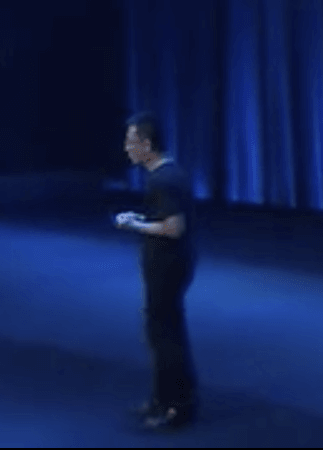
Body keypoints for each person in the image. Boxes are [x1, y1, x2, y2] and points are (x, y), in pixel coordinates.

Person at [116, 111, 198, 430]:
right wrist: (142, 221)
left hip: (167, 267)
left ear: (147, 144)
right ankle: (162, 399)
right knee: (163, 332)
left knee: (164, 336)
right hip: (171, 265)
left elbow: (173, 227)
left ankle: (175, 406)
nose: (127, 148)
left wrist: (134, 224)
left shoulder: (163, 180)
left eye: (131, 142)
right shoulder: (169, 174)